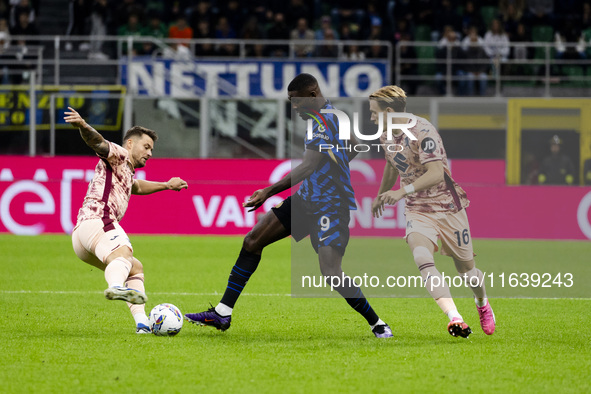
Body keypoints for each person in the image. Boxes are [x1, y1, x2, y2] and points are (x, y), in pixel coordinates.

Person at [185, 73, 393, 339]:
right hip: (306, 200)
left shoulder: (324, 122)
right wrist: (334, 166)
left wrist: (268, 191)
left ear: (312, 95)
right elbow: (354, 146)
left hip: (330, 206)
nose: (294, 108)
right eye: (291, 102)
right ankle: (223, 313)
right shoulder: (335, 115)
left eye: (296, 102)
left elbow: (308, 166)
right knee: (252, 241)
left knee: (330, 272)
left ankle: (377, 323)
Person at [369, 85, 495, 338]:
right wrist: (382, 194)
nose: (371, 117)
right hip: (418, 209)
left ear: (389, 111)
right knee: (421, 258)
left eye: (374, 112)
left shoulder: (423, 131)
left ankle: (482, 303)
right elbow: (392, 164)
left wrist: (401, 192)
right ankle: (454, 317)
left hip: (447, 206)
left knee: (468, 272)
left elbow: (436, 173)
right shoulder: (385, 134)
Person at [64, 107, 188, 334]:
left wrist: (166, 185)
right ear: (130, 143)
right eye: (146, 147)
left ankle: (142, 324)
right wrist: (83, 126)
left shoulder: (126, 170)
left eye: (152, 149)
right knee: (124, 252)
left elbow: (137, 186)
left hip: (82, 238)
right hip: (98, 221)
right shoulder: (119, 154)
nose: (150, 153)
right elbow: (98, 143)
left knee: (134, 268)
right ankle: (115, 287)